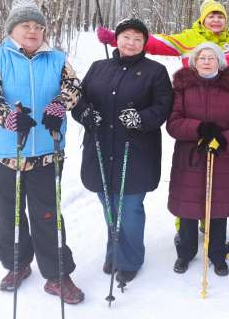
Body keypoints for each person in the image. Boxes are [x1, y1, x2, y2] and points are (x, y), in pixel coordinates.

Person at [0, 0, 84, 304]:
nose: (33, 31)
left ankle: (57, 274)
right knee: (7, 214)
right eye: (26, 25)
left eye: (38, 26)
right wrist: (7, 116)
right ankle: (17, 264)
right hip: (2, 152)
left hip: (46, 151)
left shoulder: (57, 59)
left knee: (49, 214)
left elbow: (74, 88)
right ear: (12, 28)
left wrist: (59, 105)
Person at [71, 18, 173, 285]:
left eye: (137, 39)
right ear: (116, 39)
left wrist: (140, 118)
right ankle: (115, 251)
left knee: (129, 209)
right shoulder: (98, 67)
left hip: (135, 152)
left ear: (144, 44)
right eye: (126, 37)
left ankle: (129, 259)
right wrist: (85, 114)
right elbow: (79, 99)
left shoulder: (155, 71)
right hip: (101, 149)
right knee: (109, 208)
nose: (131, 43)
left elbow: (163, 107)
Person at [166, 42, 229, 276]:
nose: (206, 61)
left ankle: (217, 254)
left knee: (218, 209)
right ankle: (185, 252)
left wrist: (224, 140)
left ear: (219, 62)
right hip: (191, 158)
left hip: (223, 158)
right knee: (188, 209)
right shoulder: (182, 88)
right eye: (201, 57)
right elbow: (173, 124)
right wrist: (200, 128)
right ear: (194, 61)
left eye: (211, 57)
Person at [97, 0, 229, 70]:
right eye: (211, 16)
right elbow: (153, 42)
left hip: (226, 106)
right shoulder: (189, 38)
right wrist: (115, 38)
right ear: (203, 20)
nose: (216, 20)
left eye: (220, 16)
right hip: (194, 104)